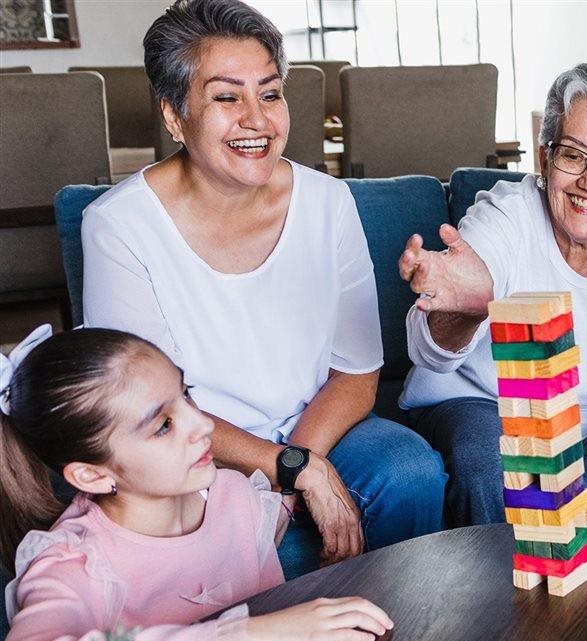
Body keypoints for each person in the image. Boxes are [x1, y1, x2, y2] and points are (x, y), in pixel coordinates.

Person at [81, 0, 446, 577]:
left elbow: (355, 374)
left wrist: (298, 465)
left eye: (270, 94)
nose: (257, 119)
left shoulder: (327, 202)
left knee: (409, 471)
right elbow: (149, 410)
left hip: (318, 425)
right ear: (175, 116)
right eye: (227, 97)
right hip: (195, 446)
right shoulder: (118, 226)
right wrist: (288, 469)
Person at [0, 326, 392, 641]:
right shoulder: (76, 562)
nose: (203, 424)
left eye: (185, 394)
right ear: (91, 475)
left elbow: (263, 526)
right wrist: (239, 636)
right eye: (163, 426)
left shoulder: (234, 494)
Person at [397, 63, 587, 536]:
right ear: (544, 158)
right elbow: (429, 354)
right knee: (503, 471)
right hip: (479, 405)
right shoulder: (504, 219)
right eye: (574, 156)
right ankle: (510, 610)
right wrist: (467, 308)